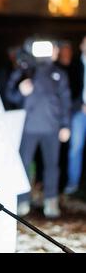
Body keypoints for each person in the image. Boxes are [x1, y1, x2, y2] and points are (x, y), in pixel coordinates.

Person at [6, 43, 71, 218]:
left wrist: (65, 125)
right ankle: (22, 201)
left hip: (52, 127)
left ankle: (51, 201)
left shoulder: (59, 74)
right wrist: (20, 90)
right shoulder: (24, 71)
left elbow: (65, 101)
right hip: (28, 127)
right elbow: (10, 95)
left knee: (51, 166)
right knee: (24, 165)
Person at [64, 36, 86, 196]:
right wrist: (80, 106)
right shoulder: (74, 66)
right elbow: (67, 91)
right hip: (79, 113)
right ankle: (73, 184)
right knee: (75, 148)